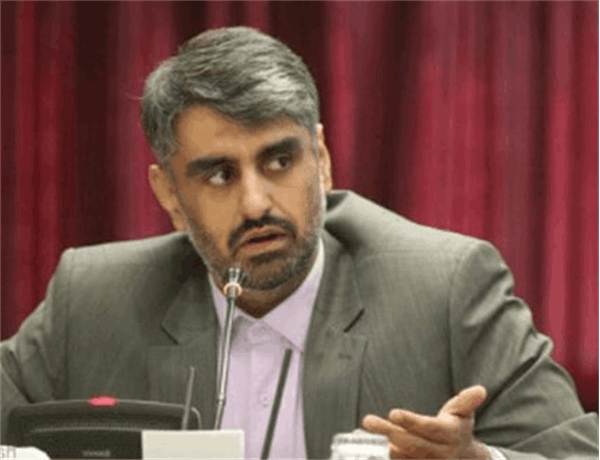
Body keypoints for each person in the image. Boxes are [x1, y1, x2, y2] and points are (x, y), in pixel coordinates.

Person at [0, 26, 598, 460]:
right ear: (170, 194)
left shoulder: (446, 287)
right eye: (219, 175)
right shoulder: (94, 298)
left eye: (280, 161)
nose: (256, 203)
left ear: (323, 161)